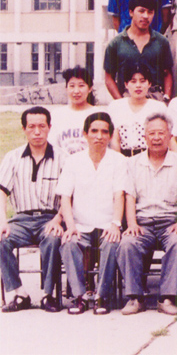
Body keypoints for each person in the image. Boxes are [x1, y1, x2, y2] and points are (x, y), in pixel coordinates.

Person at [117, 113, 177, 316]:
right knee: (127, 243)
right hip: (142, 222)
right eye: (152, 133)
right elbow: (129, 196)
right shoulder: (132, 163)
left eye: (161, 133)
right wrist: (132, 223)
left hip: (170, 221)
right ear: (144, 136)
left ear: (170, 136)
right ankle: (135, 298)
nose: (156, 138)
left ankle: (167, 297)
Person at [57, 112, 128, 315]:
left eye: (104, 132)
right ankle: (79, 296)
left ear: (110, 135)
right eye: (94, 131)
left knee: (112, 243)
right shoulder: (73, 161)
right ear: (85, 134)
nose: (99, 136)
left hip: (107, 224)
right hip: (80, 225)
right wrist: (70, 226)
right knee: (68, 243)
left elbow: (119, 195)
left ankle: (101, 296)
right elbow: (65, 197)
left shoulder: (119, 160)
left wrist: (115, 224)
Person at [0, 107, 65, 313]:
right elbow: (1, 192)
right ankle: (20, 293)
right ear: (24, 129)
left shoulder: (62, 157)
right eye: (31, 127)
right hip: (21, 220)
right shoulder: (13, 157)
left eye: (42, 126)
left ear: (49, 127)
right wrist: (2, 221)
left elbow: (69, 196)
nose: (37, 131)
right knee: (0, 239)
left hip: (50, 218)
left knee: (53, 240)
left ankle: (47, 295)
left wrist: (58, 219)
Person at [104, 0, 174, 100]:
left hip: (155, 97)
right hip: (127, 97)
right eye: (141, 11)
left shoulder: (161, 42)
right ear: (131, 12)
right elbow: (109, 78)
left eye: (150, 12)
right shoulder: (116, 43)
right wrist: (120, 102)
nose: (146, 16)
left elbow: (167, 73)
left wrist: (166, 98)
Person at [108, 62, 168, 157]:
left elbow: (167, 140)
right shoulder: (116, 106)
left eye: (142, 81)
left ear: (149, 84)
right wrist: (119, 161)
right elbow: (115, 140)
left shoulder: (159, 107)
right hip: (124, 158)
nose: (138, 85)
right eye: (133, 81)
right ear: (126, 84)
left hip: (151, 158)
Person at [49, 67, 100, 157]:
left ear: (90, 88)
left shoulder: (99, 114)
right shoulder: (56, 115)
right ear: (66, 88)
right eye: (72, 86)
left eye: (81, 86)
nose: (76, 91)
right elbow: (52, 146)